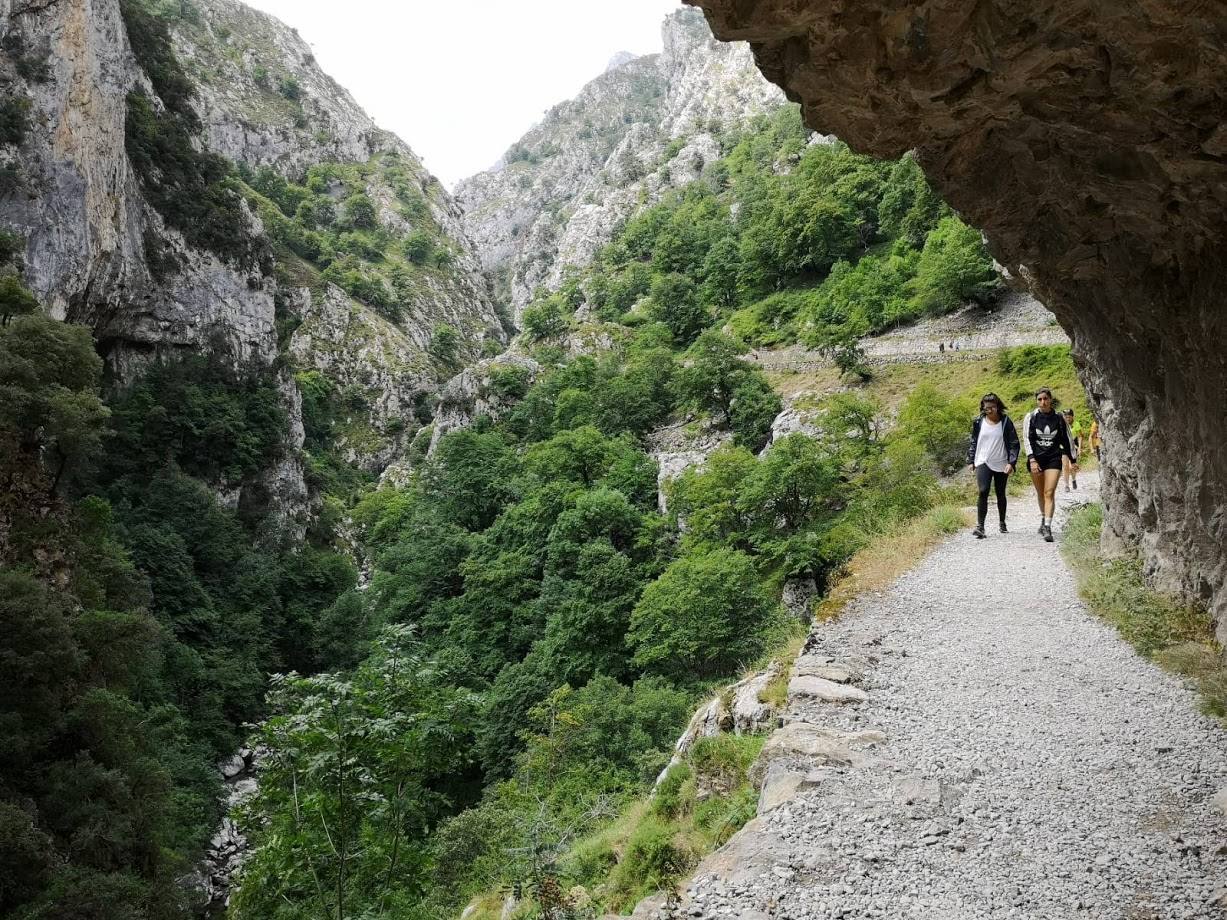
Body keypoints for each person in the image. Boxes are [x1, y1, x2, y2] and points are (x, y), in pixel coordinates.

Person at [1021, 387, 1073, 542]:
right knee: (1040, 492)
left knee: (1049, 492)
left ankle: (1048, 527)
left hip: (1053, 458)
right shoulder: (1030, 417)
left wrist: (1073, 459)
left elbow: (1067, 439)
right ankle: (1043, 519)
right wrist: (1032, 459)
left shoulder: (1059, 418)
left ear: (1050, 399)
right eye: (1040, 399)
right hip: (1036, 459)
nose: (1043, 402)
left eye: (1045, 399)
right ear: (1037, 401)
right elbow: (1026, 439)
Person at [966, 392, 1019, 538]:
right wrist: (971, 460)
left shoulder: (1006, 422)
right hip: (983, 460)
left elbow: (1014, 444)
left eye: (992, 407)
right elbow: (974, 441)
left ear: (998, 407)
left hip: (1001, 462)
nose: (989, 410)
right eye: (986, 408)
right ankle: (980, 527)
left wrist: (1011, 463)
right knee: (983, 491)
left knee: (1000, 493)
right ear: (983, 408)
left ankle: (1002, 522)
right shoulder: (978, 422)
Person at [1063, 408, 1084, 491]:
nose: (1068, 419)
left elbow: (1080, 436)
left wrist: (1079, 448)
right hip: (1064, 446)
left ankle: (1073, 479)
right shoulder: (1061, 425)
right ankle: (1066, 485)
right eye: (1066, 417)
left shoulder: (1076, 424)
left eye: (1069, 417)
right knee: (1065, 466)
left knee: (1072, 467)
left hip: (1073, 446)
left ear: (1072, 417)